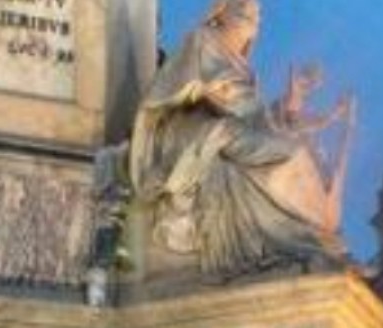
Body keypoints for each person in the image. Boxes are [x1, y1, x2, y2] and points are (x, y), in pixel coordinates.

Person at [126, 0, 349, 278]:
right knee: (286, 155)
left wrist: (287, 109)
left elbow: (254, 113)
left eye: (257, 14)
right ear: (222, 12)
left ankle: (307, 240)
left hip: (233, 127)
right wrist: (209, 91)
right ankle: (291, 243)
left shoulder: (243, 65)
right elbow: (177, 91)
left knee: (298, 152)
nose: (254, 18)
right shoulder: (202, 40)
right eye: (245, 9)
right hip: (199, 128)